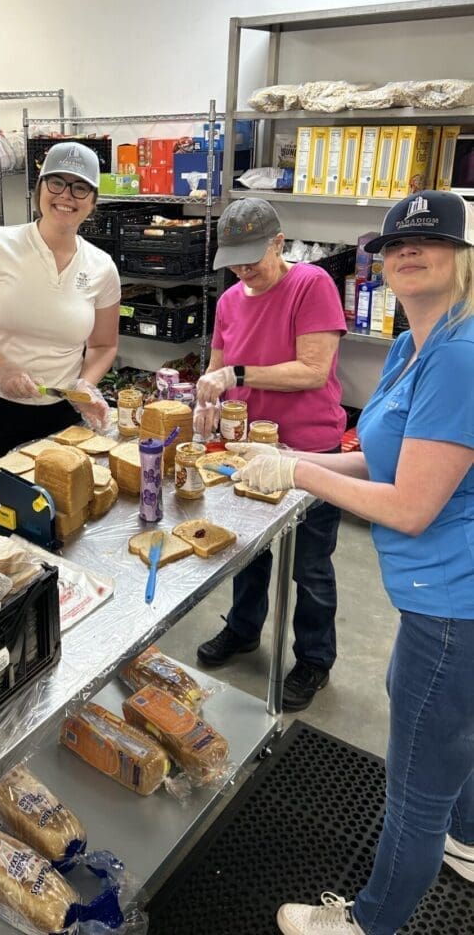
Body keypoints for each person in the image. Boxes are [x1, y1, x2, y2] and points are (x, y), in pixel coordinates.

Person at [227, 192, 474, 935]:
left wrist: (299, 473)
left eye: (428, 240)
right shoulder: (414, 345)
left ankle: (366, 923)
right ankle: (468, 837)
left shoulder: (459, 357)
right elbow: (386, 458)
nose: (406, 252)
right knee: (440, 719)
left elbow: (410, 506)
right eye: (394, 244)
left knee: (415, 784)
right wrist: (292, 460)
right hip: (436, 594)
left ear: (464, 256)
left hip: (455, 600)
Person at [194, 197, 347, 711]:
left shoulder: (311, 284)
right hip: (248, 448)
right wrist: (207, 400)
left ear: (278, 243)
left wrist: (236, 374)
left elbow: (313, 370)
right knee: (248, 550)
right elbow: (216, 368)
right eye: (233, 261)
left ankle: (314, 658)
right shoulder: (229, 301)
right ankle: (243, 629)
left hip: (309, 449)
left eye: (251, 258)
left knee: (310, 562)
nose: (242, 270)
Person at [0, 141, 120, 466]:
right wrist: (2, 368)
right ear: (39, 189)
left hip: (62, 413)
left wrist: (85, 384)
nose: (66, 195)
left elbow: (104, 344)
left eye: (80, 188)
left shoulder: (102, 267)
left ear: (93, 201)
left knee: (60, 497)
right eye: (57, 182)